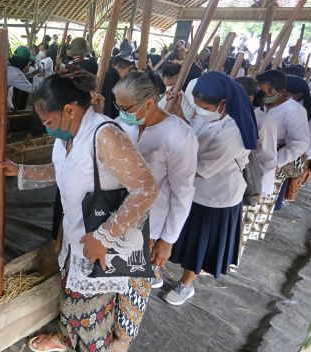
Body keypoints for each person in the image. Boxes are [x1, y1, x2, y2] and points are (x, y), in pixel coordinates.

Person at [3, 71, 159, 352]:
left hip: (104, 238)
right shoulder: (67, 137)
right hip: (78, 235)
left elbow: (147, 188)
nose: (46, 129)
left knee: (92, 303)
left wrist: (104, 237)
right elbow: (60, 170)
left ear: (70, 110)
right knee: (73, 295)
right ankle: (68, 339)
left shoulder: (105, 135)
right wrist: (21, 171)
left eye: (48, 122)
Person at [165, 72, 256, 305]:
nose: (200, 111)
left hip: (217, 195)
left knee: (201, 242)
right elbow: (192, 135)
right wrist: (178, 117)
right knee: (180, 233)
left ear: (222, 104)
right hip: (192, 189)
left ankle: (186, 283)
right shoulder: (208, 114)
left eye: (204, 106)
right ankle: (162, 269)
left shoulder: (234, 130)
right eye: (197, 106)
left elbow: (199, 166)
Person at [113, 71, 198, 290]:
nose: (121, 113)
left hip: (150, 225)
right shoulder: (121, 125)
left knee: (134, 289)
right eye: (118, 107)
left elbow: (182, 192)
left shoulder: (178, 135)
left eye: (126, 109)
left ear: (149, 103)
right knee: (110, 278)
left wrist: (168, 239)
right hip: (114, 215)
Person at [256, 70, 310, 212]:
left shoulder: (294, 110)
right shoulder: (257, 102)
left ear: (281, 91)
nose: (263, 95)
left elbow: (300, 142)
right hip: (254, 155)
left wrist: (277, 162)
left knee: (260, 205)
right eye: (260, 91)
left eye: (267, 92)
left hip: (275, 159)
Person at [235, 77, 278, 247]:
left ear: (250, 98)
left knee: (241, 226)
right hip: (236, 179)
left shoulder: (263, 120)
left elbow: (268, 158)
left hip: (252, 180)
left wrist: (256, 185)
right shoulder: (226, 114)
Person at [282, 75, 311, 202]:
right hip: (284, 149)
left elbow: (308, 135)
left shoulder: (305, 109)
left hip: (293, 151)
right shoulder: (292, 105)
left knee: (286, 179)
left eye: (285, 93)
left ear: (298, 94)